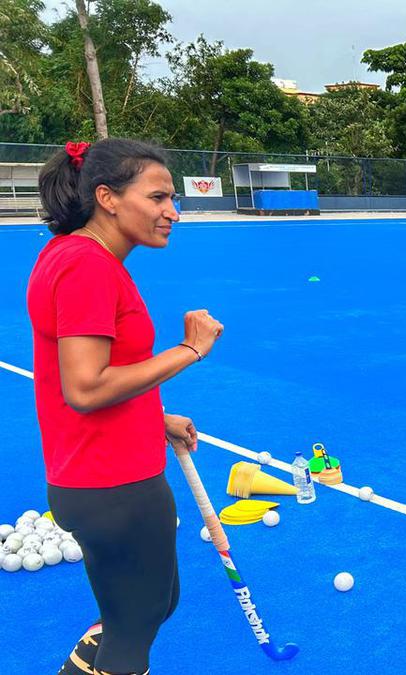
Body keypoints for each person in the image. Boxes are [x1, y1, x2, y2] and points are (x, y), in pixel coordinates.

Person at [28, 138, 223, 675]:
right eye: (158, 197)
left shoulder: (74, 255)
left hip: (104, 471)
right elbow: (85, 389)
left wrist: (153, 417)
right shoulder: (87, 265)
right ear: (108, 197)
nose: (172, 212)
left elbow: (77, 376)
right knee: (133, 630)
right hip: (110, 482)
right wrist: (190, 350)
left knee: (150, 606)